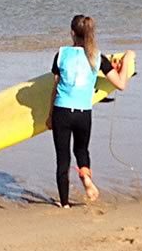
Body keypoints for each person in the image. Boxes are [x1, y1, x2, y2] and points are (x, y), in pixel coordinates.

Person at [49, 14, 133, 206]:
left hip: (61, 111)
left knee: (62, 159)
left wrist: (49, 115)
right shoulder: (97, 57)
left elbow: (55, 88)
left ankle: (64, 204)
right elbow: (121, 84)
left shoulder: (61, 54)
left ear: (72, 33)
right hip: (83, 113)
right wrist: (127, 58)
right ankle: (86, 179)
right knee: (81, 150)